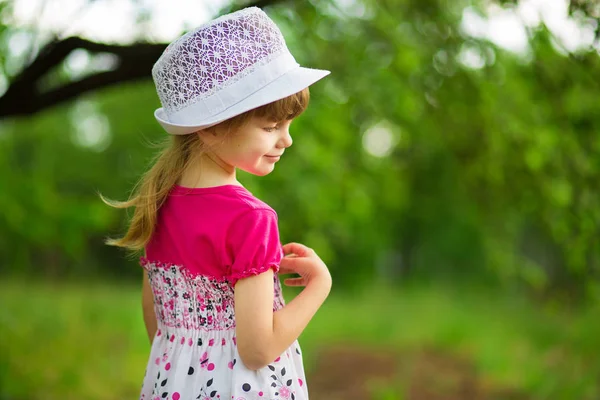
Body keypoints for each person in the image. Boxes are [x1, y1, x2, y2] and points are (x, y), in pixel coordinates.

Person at [103, 6, 332, 400]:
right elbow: (258, 350)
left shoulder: (159, 202)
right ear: (211, 128)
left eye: (288, 126)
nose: (286, 140)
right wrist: (319, 286)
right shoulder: (251, 218)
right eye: (271, 126)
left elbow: (155, 326)